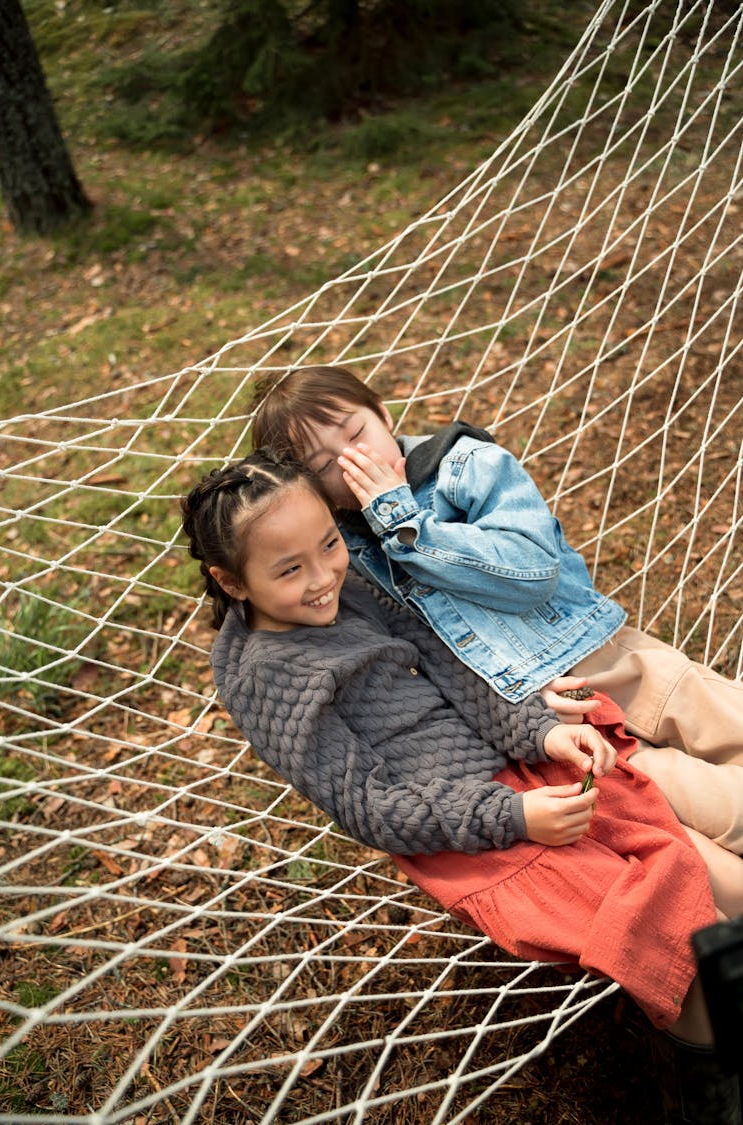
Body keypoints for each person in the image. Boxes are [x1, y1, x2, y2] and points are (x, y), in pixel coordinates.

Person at [181, 450, 743, 1125]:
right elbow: (373, 808)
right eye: (289, 568)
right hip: (474, 835)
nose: (324, 572)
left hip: (522, 777)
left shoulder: (352, 582)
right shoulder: (267, 677)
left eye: (329, 542)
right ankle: (710, 1089)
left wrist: (540, 734)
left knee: (726, 890)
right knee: (683, 936)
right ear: (229, 580)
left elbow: (452, 663)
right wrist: (512, 815)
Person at [251, 365, 743, 854]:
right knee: (678, 790)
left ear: (382, 413)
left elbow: (532, 573)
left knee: (720, 720)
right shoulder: (341, 556)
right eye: (323, 464)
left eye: (357, 433)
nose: (352, 460)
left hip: (597, 653)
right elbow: (417, 655)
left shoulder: (466, 466)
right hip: (540, 707)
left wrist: (401, 521)